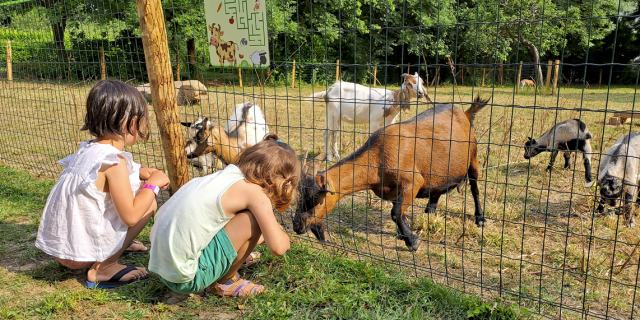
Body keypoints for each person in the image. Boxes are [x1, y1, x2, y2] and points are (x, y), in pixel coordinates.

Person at [35, 80, 170, 289]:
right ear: (131, 123)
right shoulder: (114, 162)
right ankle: (105, 266)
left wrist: (140, 171)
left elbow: (100, 180)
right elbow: (131, 216)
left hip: (63, 247)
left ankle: (115, 244)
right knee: (148, 204)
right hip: (80, 253)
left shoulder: (88, 150)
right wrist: (152, 185)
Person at [149, 134, 299, 297]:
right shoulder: (255, 193)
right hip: (185, 278)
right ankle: (225, 282)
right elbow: (278, 247)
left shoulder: (227, 176)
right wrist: (283, 237)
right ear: (277, 184)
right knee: (252, 221)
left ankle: (225, 262)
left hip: (161, 264)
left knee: (244, 219)